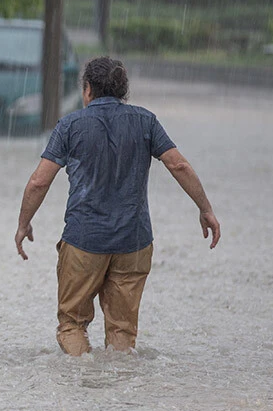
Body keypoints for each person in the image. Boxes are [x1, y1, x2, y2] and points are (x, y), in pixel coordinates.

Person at [15, 56, 221, 356]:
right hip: (133, 242)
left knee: (72, 325)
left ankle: (80, 380)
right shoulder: (146, 121)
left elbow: (38, 182)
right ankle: (121, 384)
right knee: (122, 332)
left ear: (88, 89)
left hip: (84, 241)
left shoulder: (70, 125)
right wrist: (206, 209)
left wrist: (24, 223)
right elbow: (179, 165)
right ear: (123, 90)